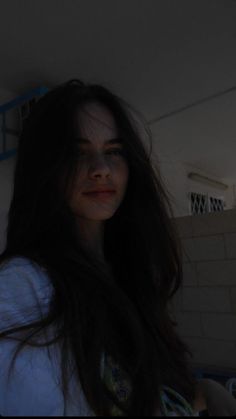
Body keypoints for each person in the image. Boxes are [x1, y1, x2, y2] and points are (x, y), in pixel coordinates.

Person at [0, 79, 235, 416]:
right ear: (45, 169)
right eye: (77, 153)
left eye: (113, 151)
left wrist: (206, 393)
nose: (101, 170)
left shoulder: (128, 275)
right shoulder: (22, 287)